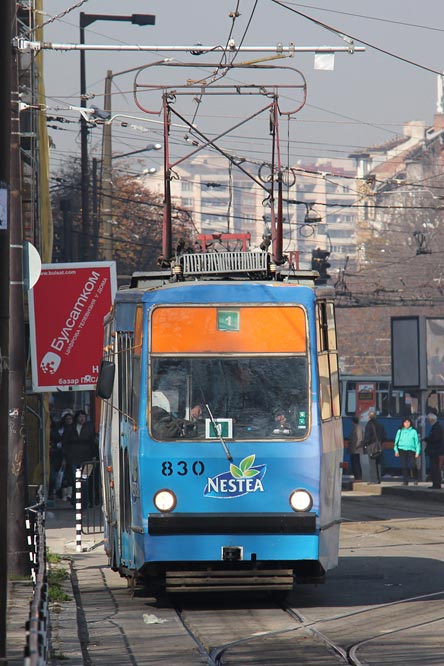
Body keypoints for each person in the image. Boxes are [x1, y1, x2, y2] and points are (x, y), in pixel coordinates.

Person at [62, 410, 98, 505]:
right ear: (76, 418)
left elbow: (93, 443)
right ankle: (76, 501)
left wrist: (94, 455)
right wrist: (65, 457)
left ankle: (85, 502)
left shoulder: (89, 428)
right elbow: (65, 443)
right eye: (80, 417)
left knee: (85, 481)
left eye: (83, 417)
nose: (82, 419)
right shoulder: (70, 428)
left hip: (87, 459)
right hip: (73, 458)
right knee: (75, 480)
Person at [394, 417, 421, 486]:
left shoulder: (413, 431)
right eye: (405, 422)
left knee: (413, 465)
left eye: (408, 422)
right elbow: (396, 442)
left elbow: (417, 442)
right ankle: (405, 481)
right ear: (403, 423)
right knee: (404, 466)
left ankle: (415, 479)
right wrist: (396, 450)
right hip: (402, 449)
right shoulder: (400, 431)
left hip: (411, 450)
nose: (407, 424)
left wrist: (417, 452)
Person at [363, 411, 386, 484]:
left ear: (369, 417)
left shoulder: (369, 425)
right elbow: (384, 436)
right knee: (378, 463)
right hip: (379, 446)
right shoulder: (380, 425)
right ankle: (378, 479)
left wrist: (365, 444)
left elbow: (367, 437)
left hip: (371, 446)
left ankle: (373, 480)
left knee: (372, 463)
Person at [424, 412, 444, 489]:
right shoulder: (437, 427)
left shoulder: (437, 427)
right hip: (436, 450)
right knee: (434, 468)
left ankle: (436, 484)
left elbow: (436, 438)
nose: (428, 422)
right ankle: (435, 483)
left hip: (435, 451)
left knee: (435, 468)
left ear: (432, 420)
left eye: (429, 420)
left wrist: (427, 439)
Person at [348, 416, 363, 481]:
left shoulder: (358, 428)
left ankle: (358, 477)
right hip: (354, 449)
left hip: (356, 449)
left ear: (353, 421)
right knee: (354, 463)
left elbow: (359, 438)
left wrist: (356, 446)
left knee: (356, 463)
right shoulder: (355, 427)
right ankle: (357, 477)